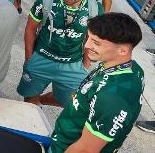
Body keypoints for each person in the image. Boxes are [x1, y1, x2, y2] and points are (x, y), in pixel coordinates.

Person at [49, 13, 144, 153]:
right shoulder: (132, 68)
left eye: (96, 42)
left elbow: (86, 150)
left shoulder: (111, 98)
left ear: (123, 50)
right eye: (89, 38)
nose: (87, 45)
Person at [18, 0, 102, 107]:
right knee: (29, 104)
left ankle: (42, 100)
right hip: (41, 59)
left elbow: (92, 37)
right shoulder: (46, 1)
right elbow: (31, 28)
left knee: (70, 102)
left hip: (73, 64)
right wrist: (29, 57)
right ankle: (35, 104)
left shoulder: (95, 8)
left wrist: (86, 63)